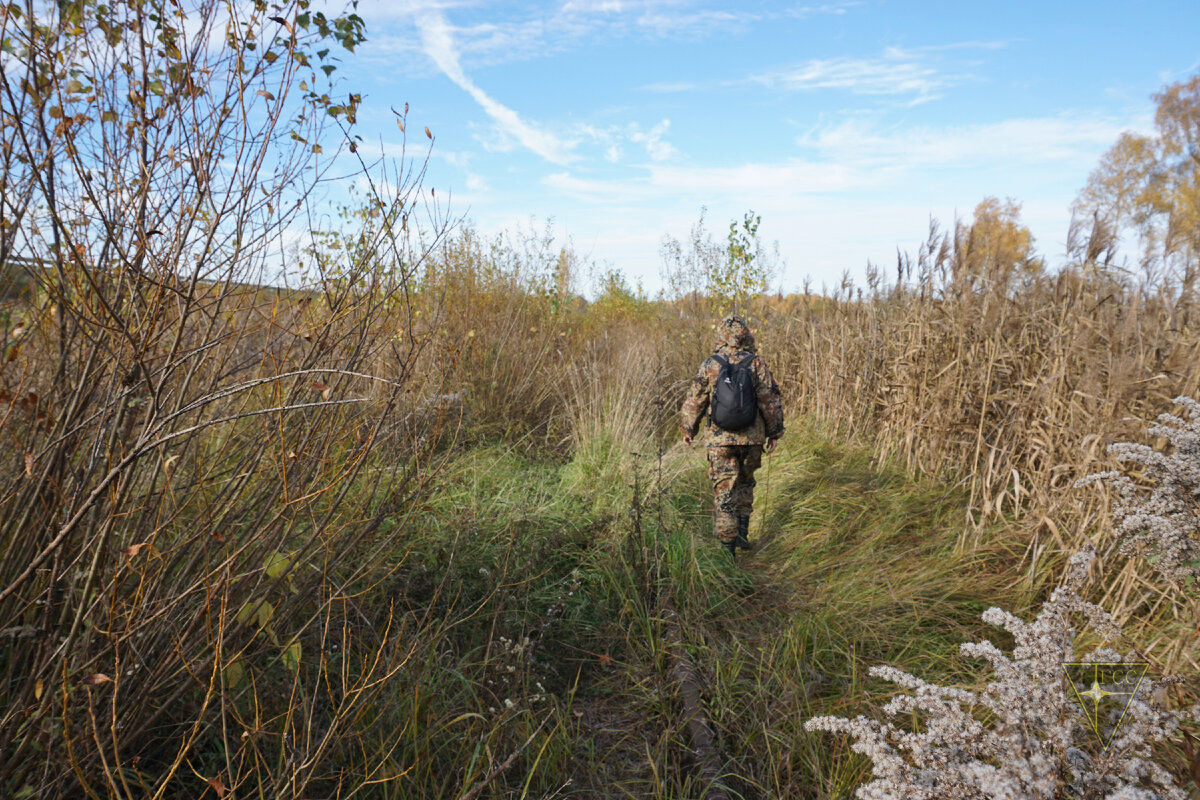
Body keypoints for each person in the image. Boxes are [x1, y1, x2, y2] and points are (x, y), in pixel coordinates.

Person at [680, 314, 785, 559]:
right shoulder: (756, 363)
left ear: (722, 336)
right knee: (746, 483)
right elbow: (770, 399)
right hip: (752, 439)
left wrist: (688, 430)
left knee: (724, 489)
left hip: (719, 439)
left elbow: (695, 399)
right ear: (746, 335)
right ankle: (742, 535)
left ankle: (727, 553)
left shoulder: (710, 364)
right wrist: (775, 432)